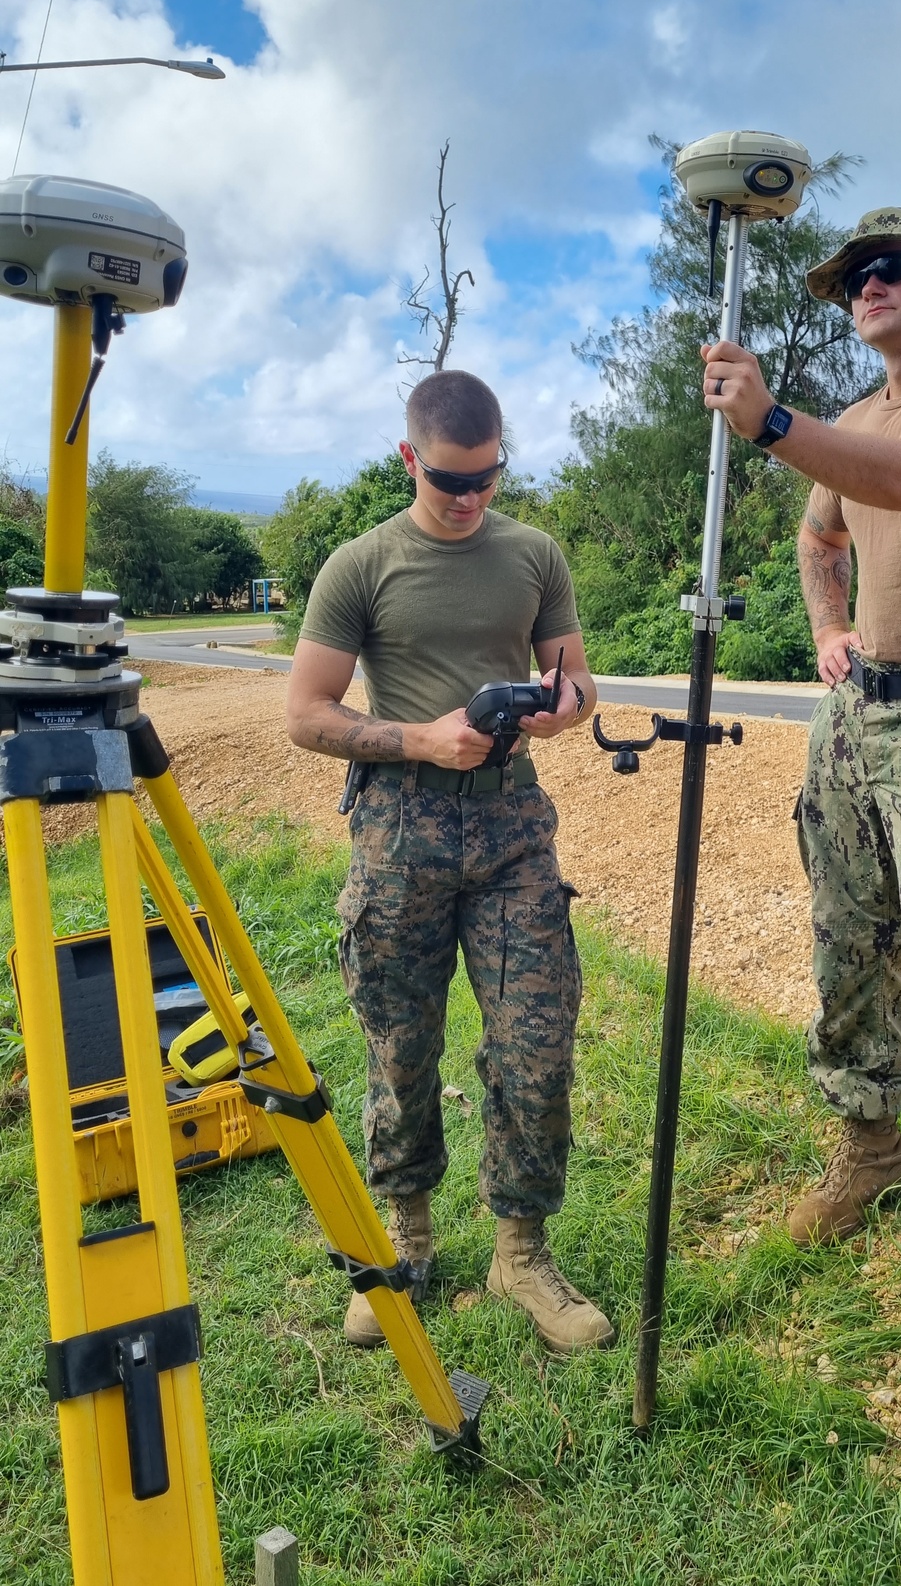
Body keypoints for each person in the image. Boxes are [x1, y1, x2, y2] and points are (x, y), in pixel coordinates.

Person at [700, 207, 901, 1415]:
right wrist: (828, 629)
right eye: (849, 281)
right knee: (849, 944)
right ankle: (872, 1147)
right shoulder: (856, 422)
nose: (864, 289)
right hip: (859, 717)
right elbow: (819, 531)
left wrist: (773, 422)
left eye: (888, 271)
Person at [285, 368, 613, 1355]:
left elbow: (578, 678)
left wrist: (566, 704)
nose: (470, 498)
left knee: (535, 1041)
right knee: (401, 1045)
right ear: (408, 459)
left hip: (514, 829)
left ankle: (521, 1252)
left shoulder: (533, 552)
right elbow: (306, 714)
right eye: (448, 480)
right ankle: (407, 1243)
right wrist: (420, 739)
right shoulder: (360, 564)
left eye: (486, 477)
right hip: (401, 831)